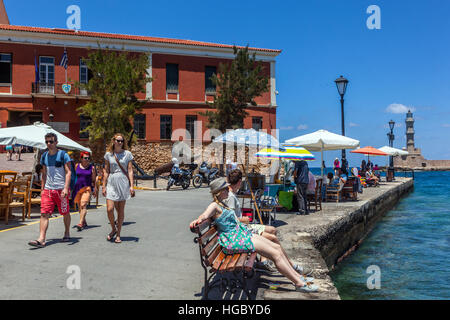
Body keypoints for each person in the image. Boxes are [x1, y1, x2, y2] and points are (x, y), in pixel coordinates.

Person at [190, 178, 318, 293]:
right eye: (225, 188)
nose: (228, 190)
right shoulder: (214, 205)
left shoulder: (222, 204)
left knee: (277, 248)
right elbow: (204, 215)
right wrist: (198, 221)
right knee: (275, 254)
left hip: (240, 235)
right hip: (234, 240)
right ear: (219, 192)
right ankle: (299, 283)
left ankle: (297, 276)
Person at [225, 169, 313, 275]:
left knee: (272, 229)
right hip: (241, 229)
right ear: (239, 182)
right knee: (272, 237)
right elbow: (230, 219)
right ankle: (292, 266)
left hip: (242, 228)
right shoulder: (230, 197)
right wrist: (244, 219)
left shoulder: (231, 194)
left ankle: (264, 261)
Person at [28, 133, 72, 248]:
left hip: (60, 190)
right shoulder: (44, 156)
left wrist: (66, 188)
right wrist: (42, 189)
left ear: (56, 142)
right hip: (48, 190)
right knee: (44, 214)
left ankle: (67, 232)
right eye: (47, 142)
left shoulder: (63, 155)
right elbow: (44, 174)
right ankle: (41, 239)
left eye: (51, 142)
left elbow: (68, 172)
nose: (49, 144)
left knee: (65, 212)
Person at [102, 133, 135, 244]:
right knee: (109, 209)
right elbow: (106, 170)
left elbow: (130, 170)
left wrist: (131, 186)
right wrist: (103, 185)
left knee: (120, 210)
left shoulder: (127, 154)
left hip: (123, 182)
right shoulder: (108, 155)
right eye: (118, 140)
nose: (120, 143)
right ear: (113, 141)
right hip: (111, 182)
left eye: (121, 141)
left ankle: (118, 234)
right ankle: (113, 229)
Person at [72, 151, 97, 231]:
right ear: (81, 158)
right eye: (85, 158)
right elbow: (74, 176)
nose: (87, 159)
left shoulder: (91, 168)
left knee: (83, 205)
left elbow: (94, 180)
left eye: (88, 158)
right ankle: (84, 221)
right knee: (79, 207)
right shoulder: (77, 166)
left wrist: (95, 189)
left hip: (87, 188)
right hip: (77, 188)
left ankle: (80, 223)